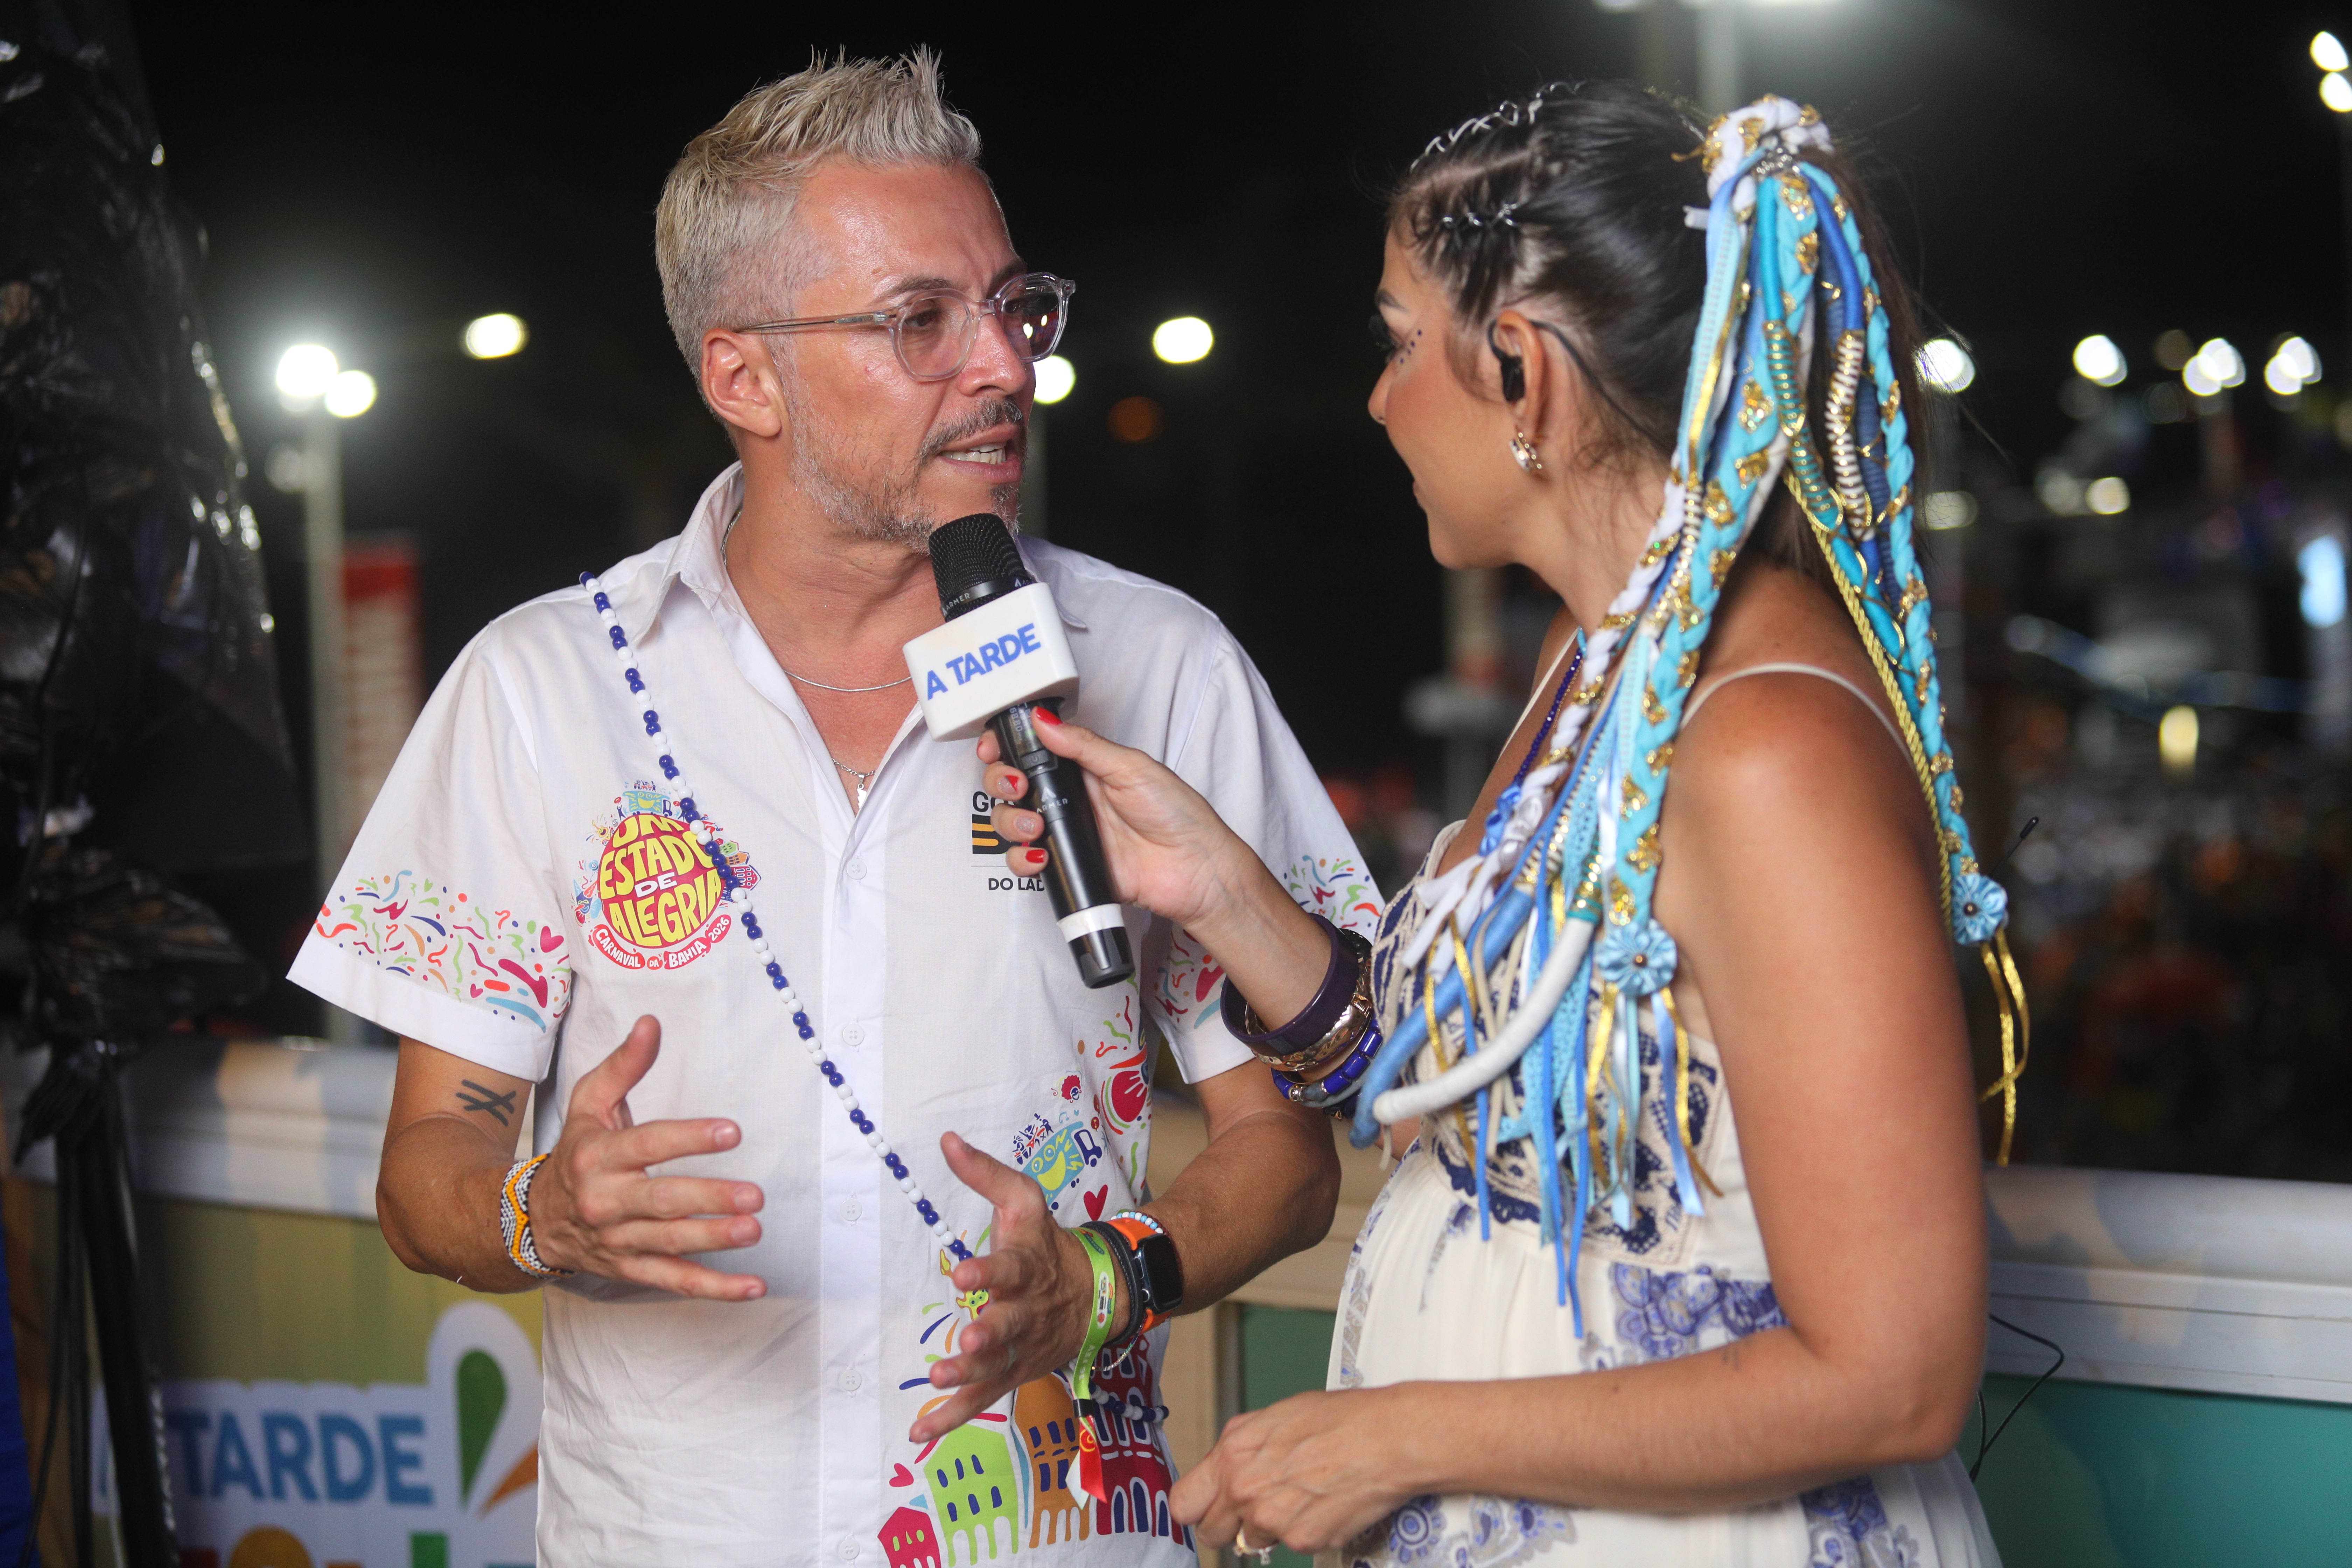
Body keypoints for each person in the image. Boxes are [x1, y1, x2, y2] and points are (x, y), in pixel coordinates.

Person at [289, 52, 1377, 1567]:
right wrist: (547, 1211)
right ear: (746, 376)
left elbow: (1289, 1149)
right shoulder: (543, 689)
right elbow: (425, 1173)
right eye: (920, 321)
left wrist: (1106, 1280)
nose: (1005, 366)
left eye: (1016, 308)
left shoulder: (1155, 663)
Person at [983, 84, 2011, 1564]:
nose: (1378, 396)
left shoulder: (1767, 745)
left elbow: (1897, 1370)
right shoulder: (1596, 666)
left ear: (1523, 373)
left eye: (1401, 344)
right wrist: (1207, 880)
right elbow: (1455, 1079)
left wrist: (1394, 1437)